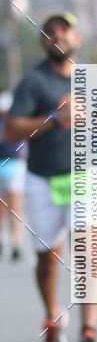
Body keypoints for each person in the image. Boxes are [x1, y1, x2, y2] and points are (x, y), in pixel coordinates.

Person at [4, 13, 97, 342]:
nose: (56, 37)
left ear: (77, 38)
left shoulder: (91, 78)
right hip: (43, 179)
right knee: (47, 260)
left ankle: (89, 334)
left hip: (86, 176)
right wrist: (54, 118)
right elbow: (12, 130)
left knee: (88, 245)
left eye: (63, 31)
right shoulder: (33, 81)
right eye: (48, 33)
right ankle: (53, 317)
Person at [0, 91, 26, 261]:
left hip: (15, 165)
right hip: (5, 165)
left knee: (15, 207)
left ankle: (16, 242)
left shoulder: (18, 123)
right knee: (4, 207)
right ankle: (3, 240)